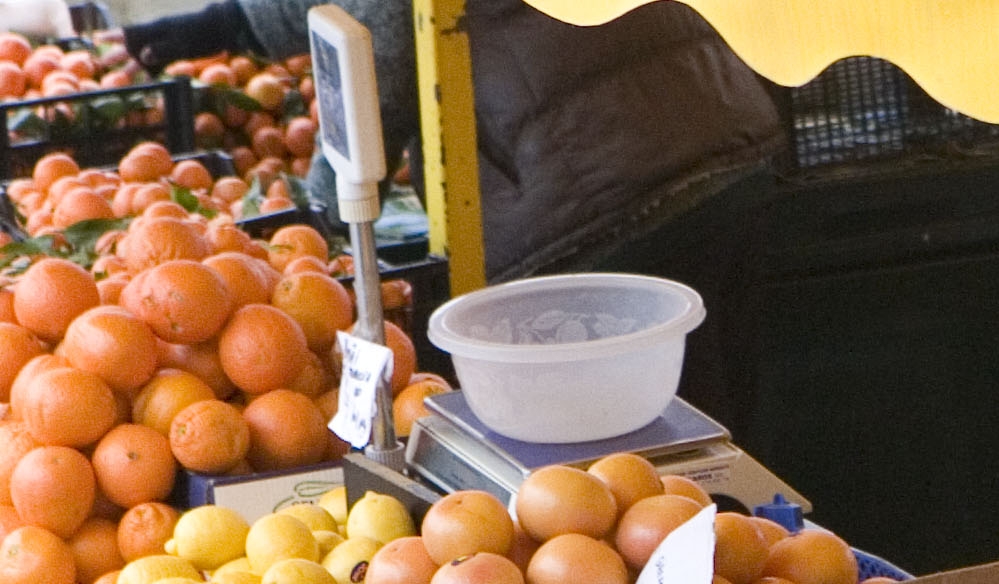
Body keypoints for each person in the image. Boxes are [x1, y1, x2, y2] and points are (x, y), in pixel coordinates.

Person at [124, 0, 780, 426]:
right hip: (713, 127)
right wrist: (231, 23)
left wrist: (328, 191)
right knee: (725, 437)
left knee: (648, 470)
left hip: (595, 182)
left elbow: (382, 31)